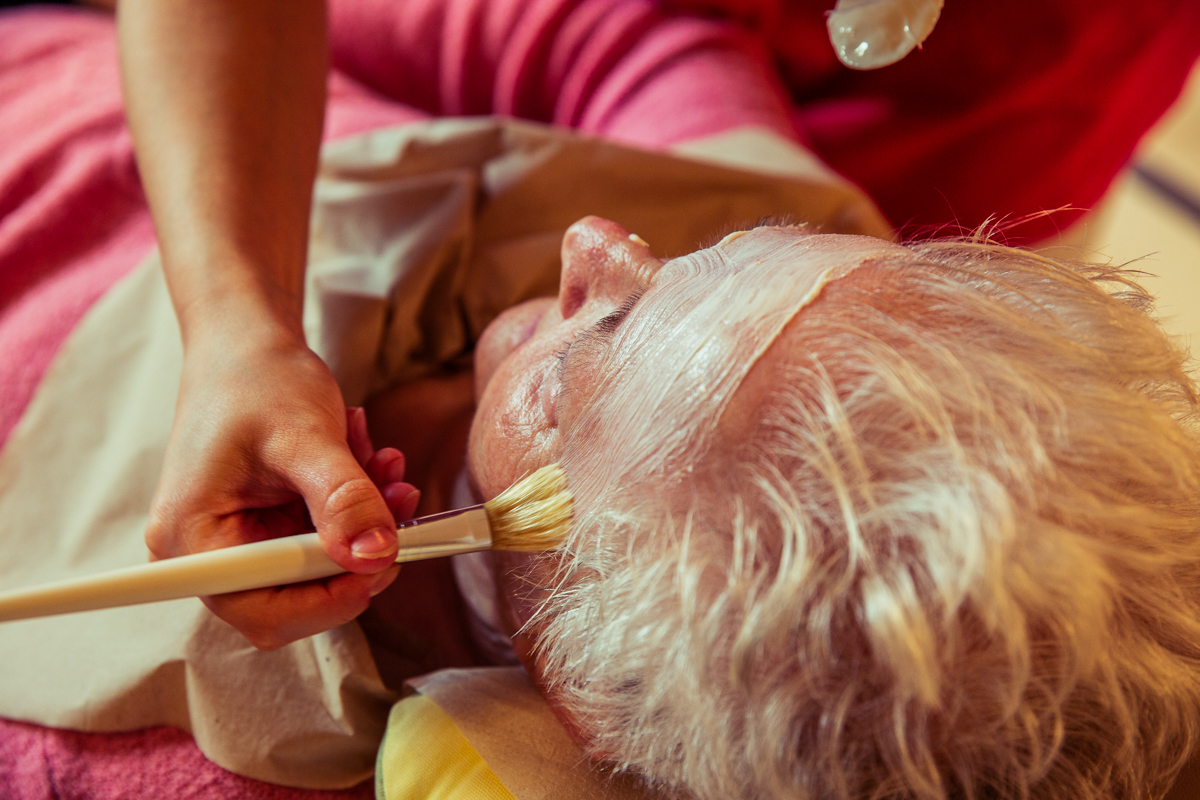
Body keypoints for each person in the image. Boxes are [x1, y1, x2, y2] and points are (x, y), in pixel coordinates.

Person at [354, 214, 1200, 800]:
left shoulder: (291, 738)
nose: (593, 239)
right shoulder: (791, 205)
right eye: (728, 243)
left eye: (607, 337)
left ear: (584, 693)